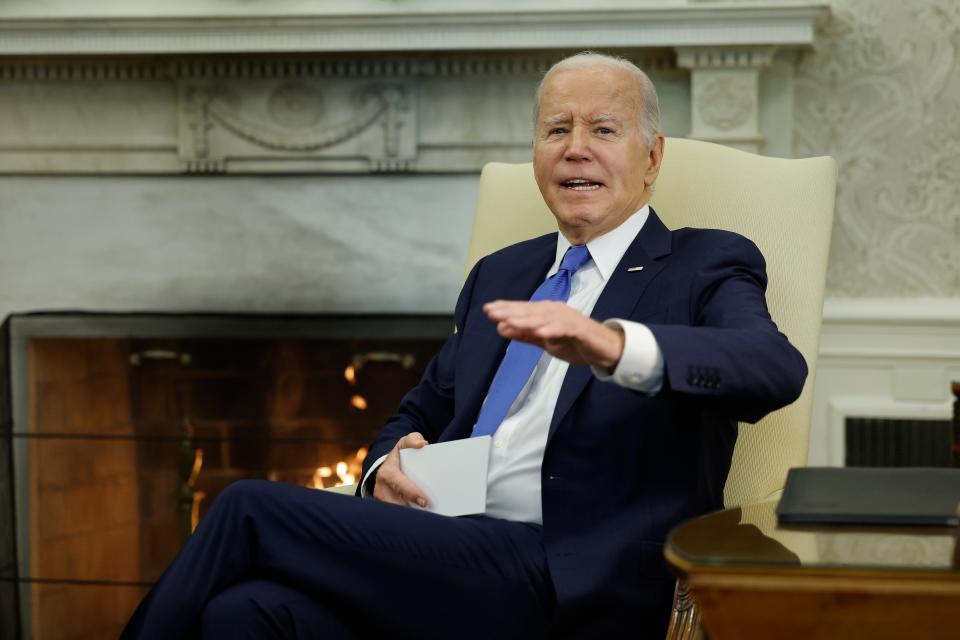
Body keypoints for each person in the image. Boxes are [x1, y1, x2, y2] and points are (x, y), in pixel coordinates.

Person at [121, 52, 807, 639]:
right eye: (556, 129)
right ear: (536, 153)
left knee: (246, 505)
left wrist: (612, 345)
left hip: (566, 576)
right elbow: (421, 407)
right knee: (243, 615)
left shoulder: (702, 263)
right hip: (445, 551)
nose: (576, 148)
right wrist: (383, 466)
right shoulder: (505, 273)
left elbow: (772, 369)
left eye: (604, 129)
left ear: (651, 156)